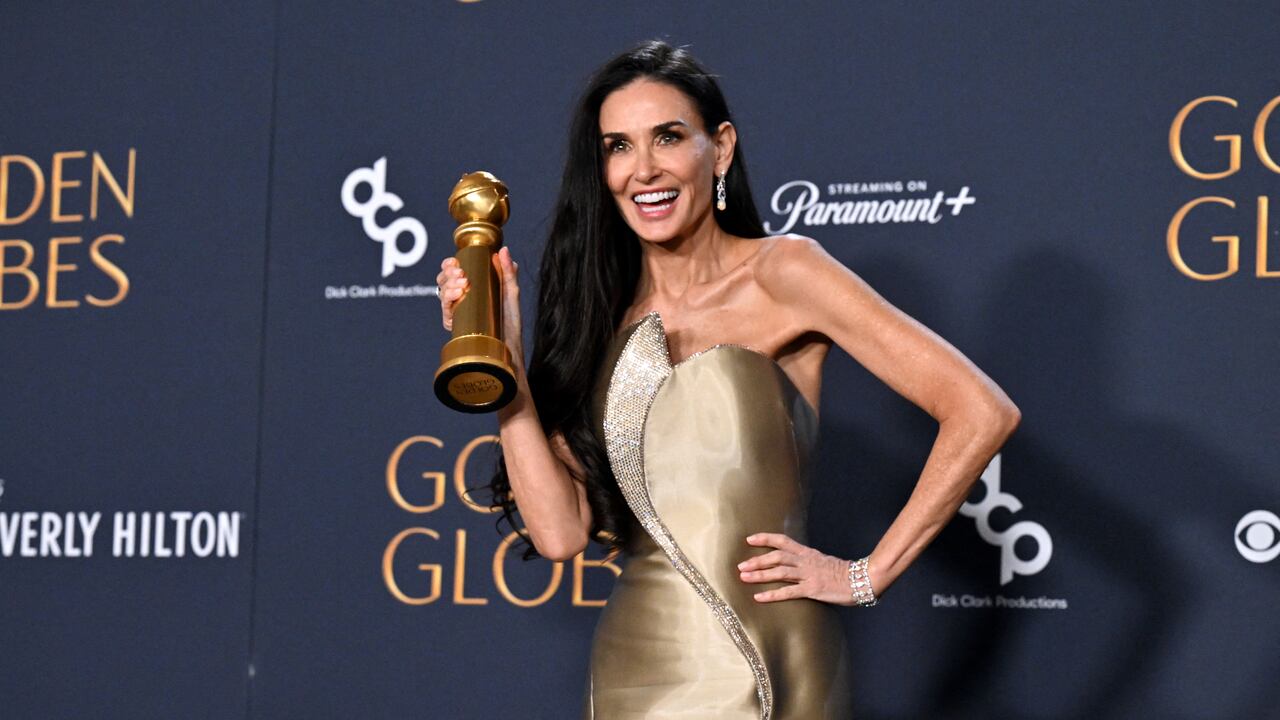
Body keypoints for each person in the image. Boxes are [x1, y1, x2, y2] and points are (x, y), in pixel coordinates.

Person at [436, 40, 1020, 720]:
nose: (643, 170)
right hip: (637, 670)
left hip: (770, 657)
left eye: (668, 138)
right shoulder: (600, 316)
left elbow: (980, 409)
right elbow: (561, 534)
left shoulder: (784, 274)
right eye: (618, 147)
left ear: (721, 147)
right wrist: (504, 364)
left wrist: (868, 573)